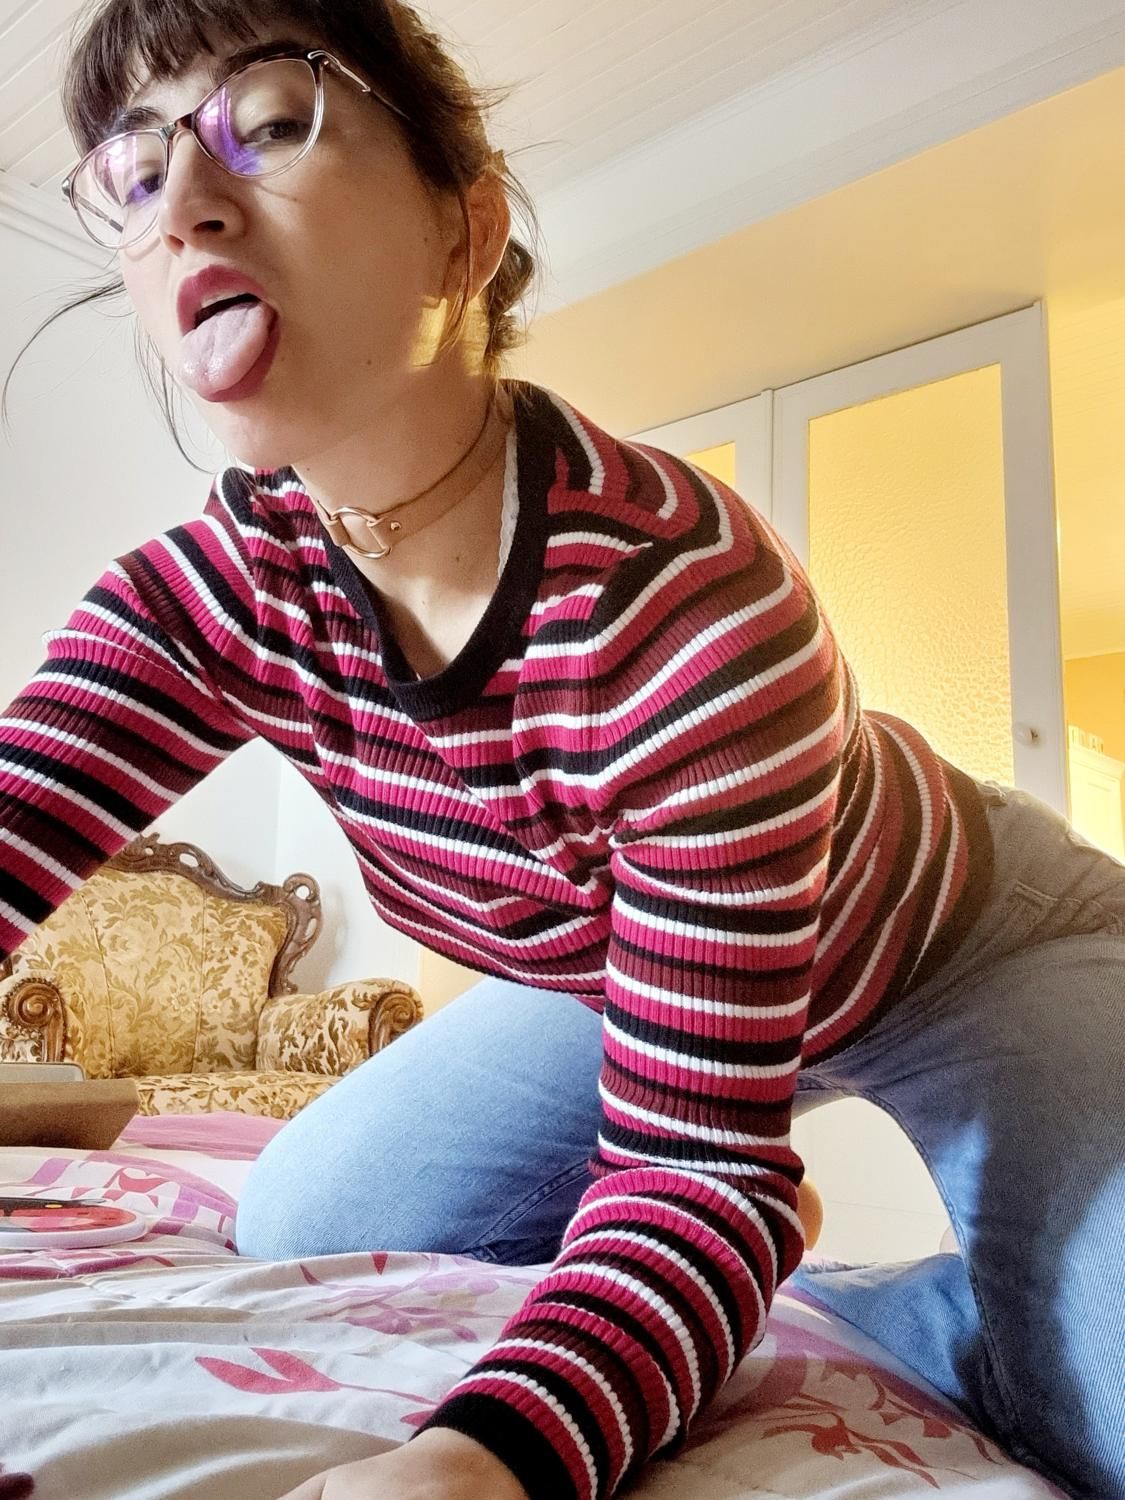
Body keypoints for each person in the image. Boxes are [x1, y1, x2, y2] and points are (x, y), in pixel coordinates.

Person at [1, 3, 1122, 1499]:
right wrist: (690, 1206)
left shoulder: (682, 605)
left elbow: (685, 1174)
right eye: (135, 176)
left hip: (959, 942)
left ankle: (951, 1317)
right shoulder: (213, 598)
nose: (186, 201)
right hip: (621, 976)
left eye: (265, 125)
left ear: (465, 233)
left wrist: (480, 1462)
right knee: (303, 1226)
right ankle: (792, 1283)